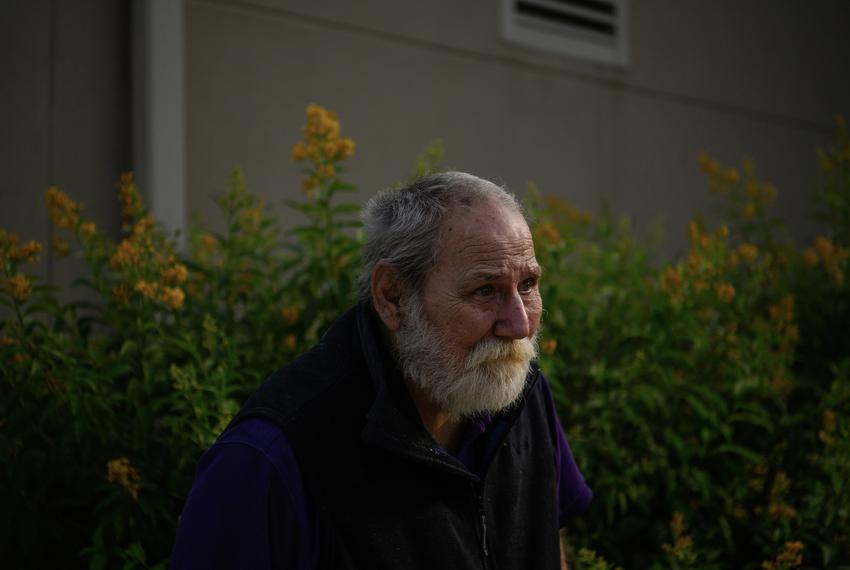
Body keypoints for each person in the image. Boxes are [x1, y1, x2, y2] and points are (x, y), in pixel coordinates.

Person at [170, 172, 591, 569]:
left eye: (528, 286)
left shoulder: (520, 393)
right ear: (391, 297)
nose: (520, 325)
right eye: (485, 290)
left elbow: (548, 547)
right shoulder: (269, 460)